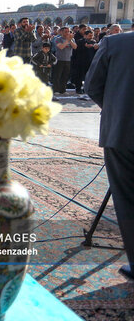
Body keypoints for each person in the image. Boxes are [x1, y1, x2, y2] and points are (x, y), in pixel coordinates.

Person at [84, 29, 134, 282]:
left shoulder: (115, 43)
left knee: (126, 197)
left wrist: (116, 108)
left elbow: (91, 86)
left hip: (122, 131)